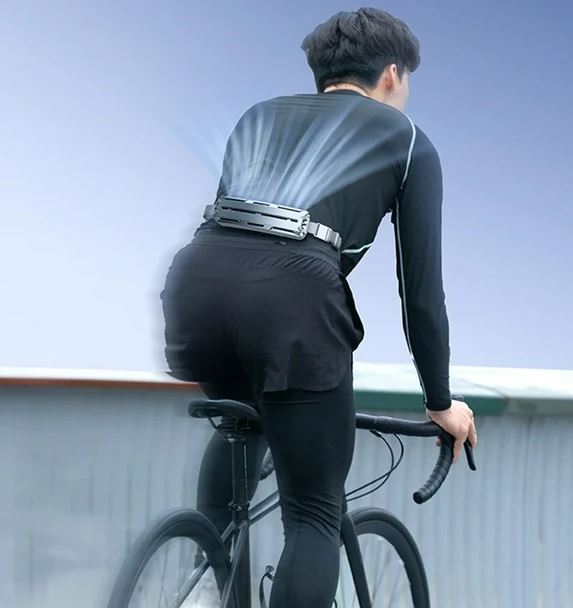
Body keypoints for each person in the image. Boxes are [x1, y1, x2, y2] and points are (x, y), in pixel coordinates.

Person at [160, 7, 478, 607]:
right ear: (392, 74)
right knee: (313, 511)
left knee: (245, 416)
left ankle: (204, 583)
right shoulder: (407, 139)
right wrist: (440, 401)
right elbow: (419, 293)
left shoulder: (259, 114)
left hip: (195, 285)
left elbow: (237, 229)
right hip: (292, 300)